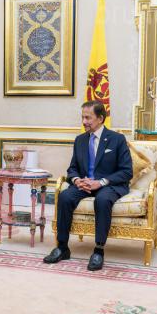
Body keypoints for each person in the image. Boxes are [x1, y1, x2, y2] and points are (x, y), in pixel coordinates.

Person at [44, 100, 133, 271]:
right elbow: (72, 169)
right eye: (82, 117)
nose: (84, 122)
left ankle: (99, 250)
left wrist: (100, 182)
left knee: (102, 200)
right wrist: (77, 180)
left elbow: (126, 171)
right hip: (85, 185)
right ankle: (62, 247)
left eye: (88, 118)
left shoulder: (117, 139)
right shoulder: (80, 140)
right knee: (65, 196)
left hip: (108, 185)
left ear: (100, 118)